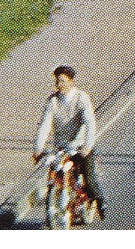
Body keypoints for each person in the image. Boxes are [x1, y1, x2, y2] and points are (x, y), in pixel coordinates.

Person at [34, 65, 105, 220]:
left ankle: (100, 201)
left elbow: (90, 123)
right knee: (53, 173)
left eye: (63, 81)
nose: (59, 85)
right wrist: (38, 149)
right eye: (57, 81)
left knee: (89, 176)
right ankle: (53, 202)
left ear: (72, 81)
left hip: (80, 146)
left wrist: (87, 146)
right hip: (61, 147)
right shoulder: (52, 101)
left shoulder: (81, 98)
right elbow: (45, 125)